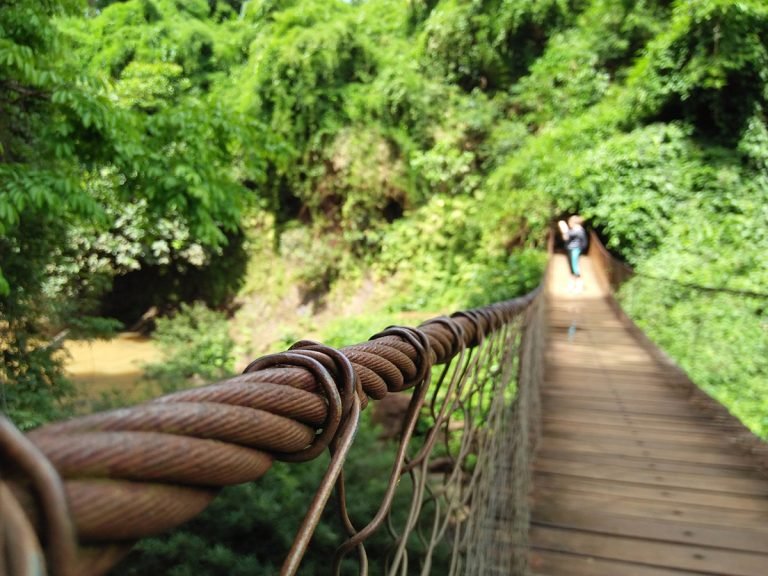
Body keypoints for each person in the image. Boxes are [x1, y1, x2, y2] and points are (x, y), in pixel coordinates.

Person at [558, 215, 587, 293]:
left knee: (575, 267)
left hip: (575, 250)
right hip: (572, 250)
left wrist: (564, 228)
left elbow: (567, 236)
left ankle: (579, 285)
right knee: (572, 268)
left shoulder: (578, 230)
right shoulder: (576, 230)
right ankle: (572, 285)